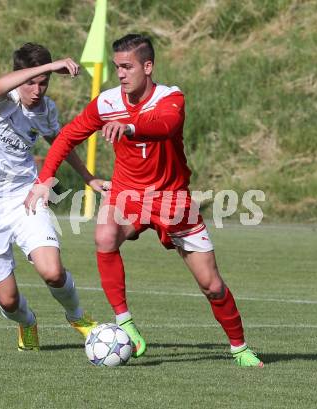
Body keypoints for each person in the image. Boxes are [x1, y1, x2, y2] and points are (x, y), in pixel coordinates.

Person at [25, 34, 263, 367]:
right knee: (104, 235)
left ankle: (240, 347)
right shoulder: (107, 103)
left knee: (212, 285)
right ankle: (125, 322)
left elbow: (167, 125)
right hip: (128, 195)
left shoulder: (170, 97)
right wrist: (43, 180)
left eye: (127, 67)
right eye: (116, 67)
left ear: (147, 67)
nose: (120, 74)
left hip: (172, 199)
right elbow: (67, 136)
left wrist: (131, 127)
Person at [0, 43, 105, 351]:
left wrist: (89, 178)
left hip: (22, 197)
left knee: (52, 272)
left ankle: (78, 317)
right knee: (9, 301)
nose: (37, 90)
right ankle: (27, 322)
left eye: (44, 84)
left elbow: (61, 143)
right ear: (20, 76)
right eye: (32, 81)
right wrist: (49, 68)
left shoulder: (45, 110)